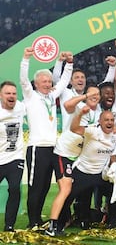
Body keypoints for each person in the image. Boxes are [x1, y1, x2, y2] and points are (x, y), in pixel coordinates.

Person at [20, 47, 73, 228]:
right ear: (36, 83)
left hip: (53, 148)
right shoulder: (30, 96)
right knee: (35, 187)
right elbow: (23, 80)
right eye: (44, 81)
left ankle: (38, 220)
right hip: (37, 147)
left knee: (44, 187)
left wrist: (69, 64)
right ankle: (32, 222)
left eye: (49, 81)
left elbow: (65, 81)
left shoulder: (51, 96)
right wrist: (26, 58)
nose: (48, 84)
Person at [45, 86, 101, 236]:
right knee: (66, 189)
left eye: (97, 94)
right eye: (92, 93)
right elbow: (67, 107)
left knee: (75, 189)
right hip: (64, 154)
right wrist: (85, 97)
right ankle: (52, 226)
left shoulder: (99, 113)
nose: (95, 95)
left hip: (78, 158)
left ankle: (68, 219)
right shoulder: (81, 106)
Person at [57, 109, 116, 232]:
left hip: (100, 175)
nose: (109, 122)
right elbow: (74, 128)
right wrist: (79, 114)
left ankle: (112, 223)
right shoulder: (93, 132)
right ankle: (60, 223)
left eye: (112, 120)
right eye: (106, 120)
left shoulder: (115, 135)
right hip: (82, 172)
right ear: (99, 122)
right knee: (67, 197)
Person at [0, 81, 25, 232]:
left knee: (15, 189)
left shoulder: (21, 107)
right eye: (8, 93)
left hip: (15, 158)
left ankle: (9, 226)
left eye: (14, 93)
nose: (11, 96)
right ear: (1, 95)